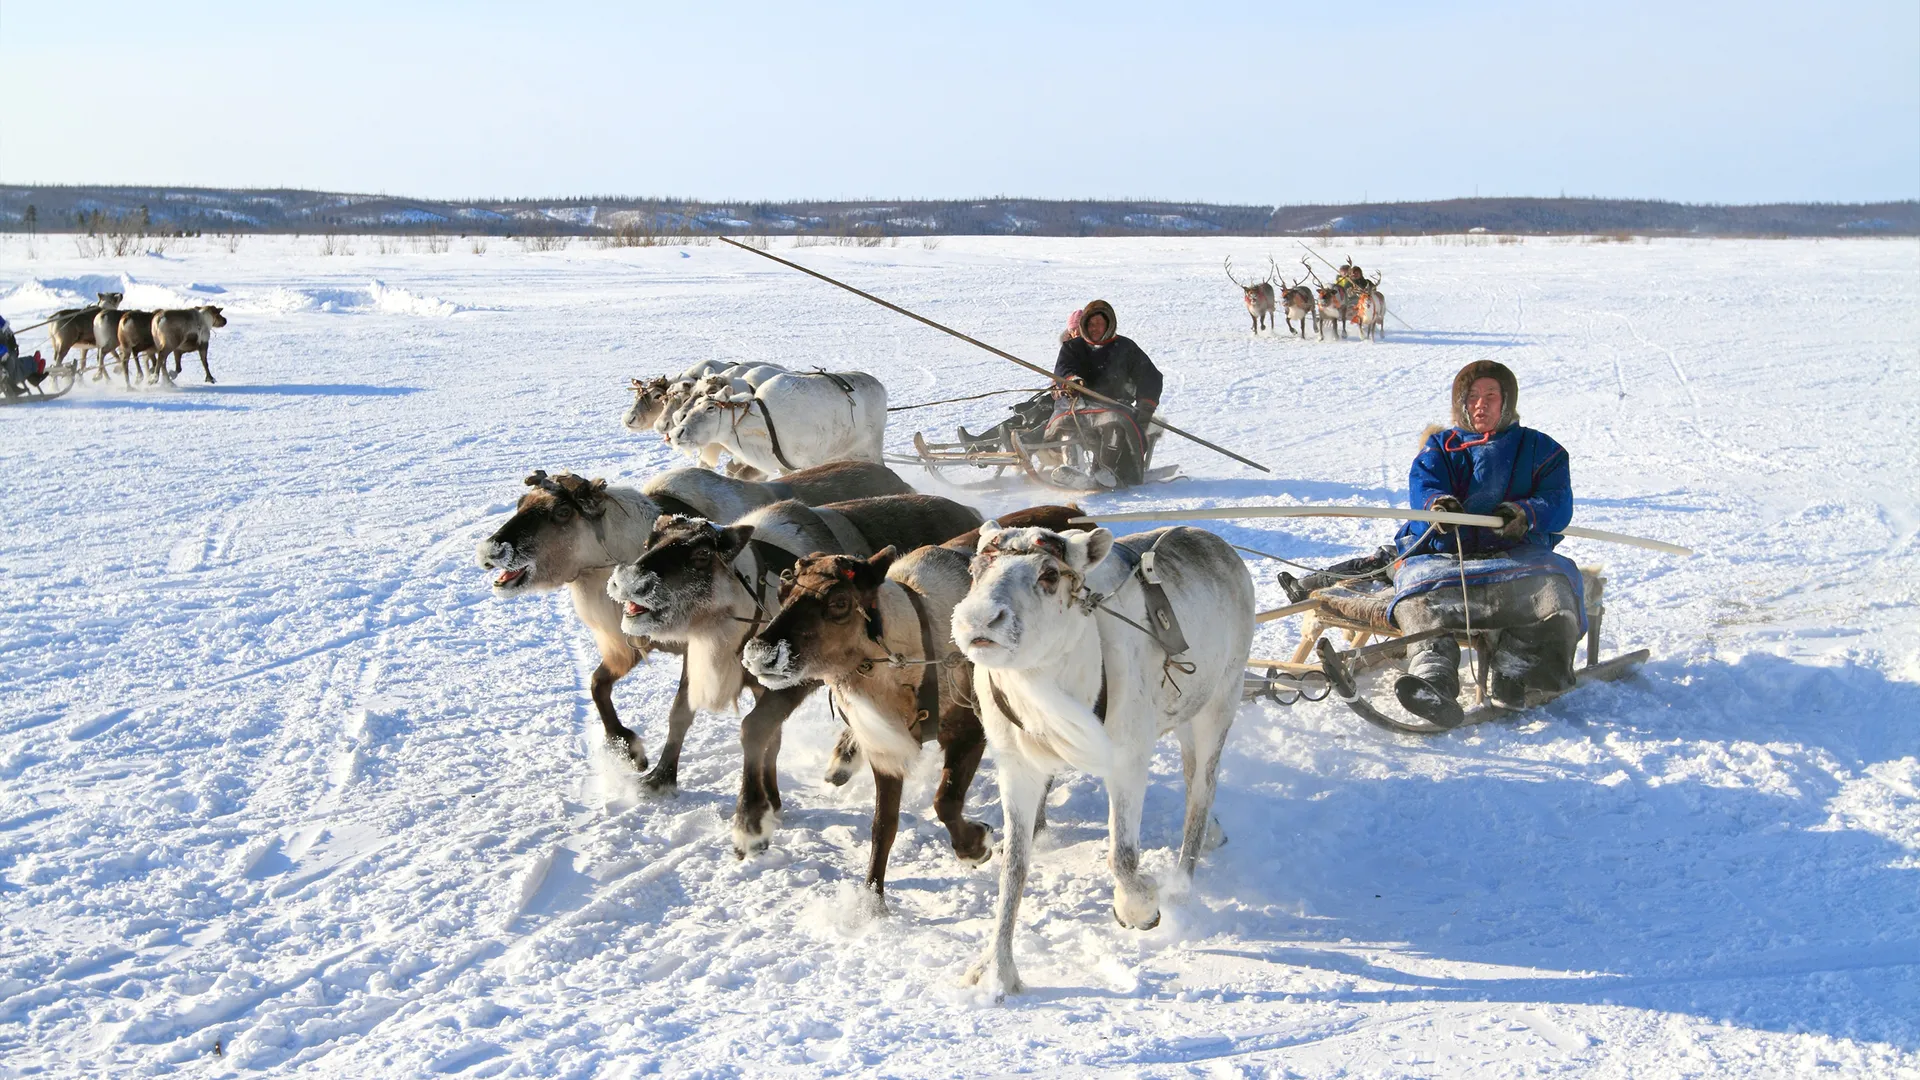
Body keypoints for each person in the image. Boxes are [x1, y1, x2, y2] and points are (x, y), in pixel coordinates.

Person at [1384, 360, 1580, 723]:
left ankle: (1516, 670)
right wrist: (1438, 508)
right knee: (1416, 588)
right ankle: (1434, 677)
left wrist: (1525, 513)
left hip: (1515, 557)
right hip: (1445, 556)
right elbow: (1423, 487)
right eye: (1471, 396)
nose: (1480, 404)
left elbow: (1559, 501)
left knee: (1554, 588)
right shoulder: (1440, 448)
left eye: (1491, 396)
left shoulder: (1543, 450)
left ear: (1507, 401)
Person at [1050, 299, 1163, 487]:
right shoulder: (1072, 347)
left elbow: (1150, 376)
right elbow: (1063, 369)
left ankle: (1104, 470)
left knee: (1115, 424)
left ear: (1109, 324)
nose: (1096, 328)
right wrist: (1071, 381)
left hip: (1114, 405)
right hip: (1077, 403)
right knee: (1069, 426)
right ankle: (1073, 470)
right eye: (1091, 324)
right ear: (1085, 325)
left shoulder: (1126, 347)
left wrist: (1146, 405)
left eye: (1100, 323)